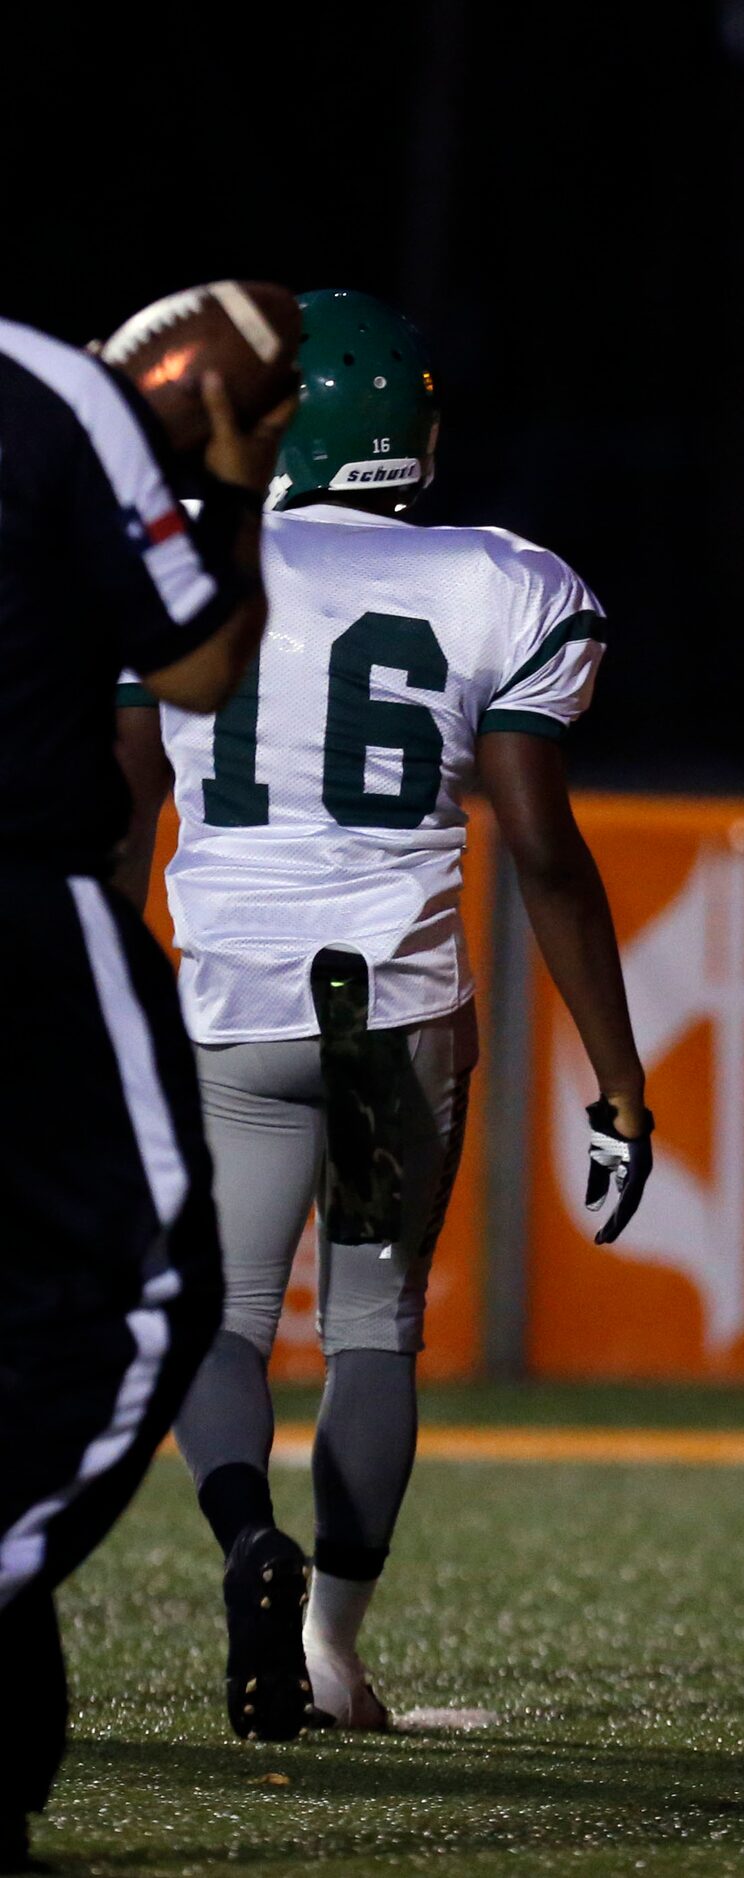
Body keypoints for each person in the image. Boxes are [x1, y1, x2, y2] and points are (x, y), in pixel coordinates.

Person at [115, 290, 655, 1741]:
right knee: (374, 1328)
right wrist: (617, 1081)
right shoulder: (502, 578)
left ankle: (245, 1537)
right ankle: (332, 1648)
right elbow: (542, 845)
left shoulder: (181, 559)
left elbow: (117, 812)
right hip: (389, 1011)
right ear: (406, 436)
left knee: (218, 1326)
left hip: (229, 995)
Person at [1, 310, 278, 1874]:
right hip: (26, 913)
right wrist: (230, 478)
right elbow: (193, 657)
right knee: (150, 1292)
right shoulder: (59, 391)